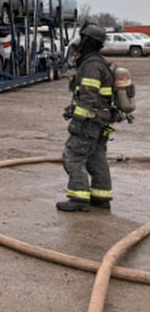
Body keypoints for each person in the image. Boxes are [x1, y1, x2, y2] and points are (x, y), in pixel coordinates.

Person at [57, 23, 115, 212]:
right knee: (96, 158)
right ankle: (101, 197)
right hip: (101, 120)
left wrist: (77, 121)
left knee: (72, 156)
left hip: (90, 121)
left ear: (89, 42)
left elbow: (89, 96)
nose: (79, 42)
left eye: (82, 38)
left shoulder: (91, 66)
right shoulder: (98, 63)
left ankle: (78, 198)